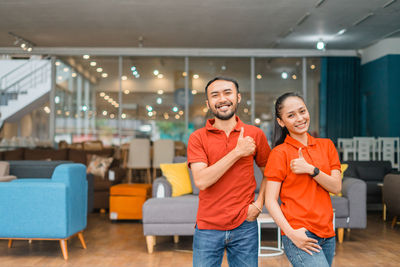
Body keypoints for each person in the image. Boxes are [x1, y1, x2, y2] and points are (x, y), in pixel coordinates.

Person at [187, 77, 271, 267]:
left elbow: (270, 173)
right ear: (208, 103)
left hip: (245, 225)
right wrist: (237, 152)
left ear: (238, 97)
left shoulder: (255, 134)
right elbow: (201, 180)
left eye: (227, 93)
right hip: (207, 226)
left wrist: (258, 205)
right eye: (215, 95)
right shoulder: (197, 138)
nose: (222, 99)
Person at [264, 92, 342, 267]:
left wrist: (311, 170)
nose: (299, 118)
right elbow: (270, 200)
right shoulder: (279, 153)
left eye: (302, 111)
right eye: (291, 115)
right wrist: (291, 233)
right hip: (300, 233)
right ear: (281, 122)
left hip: (327, 233)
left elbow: (336, 187)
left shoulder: (327, 145)